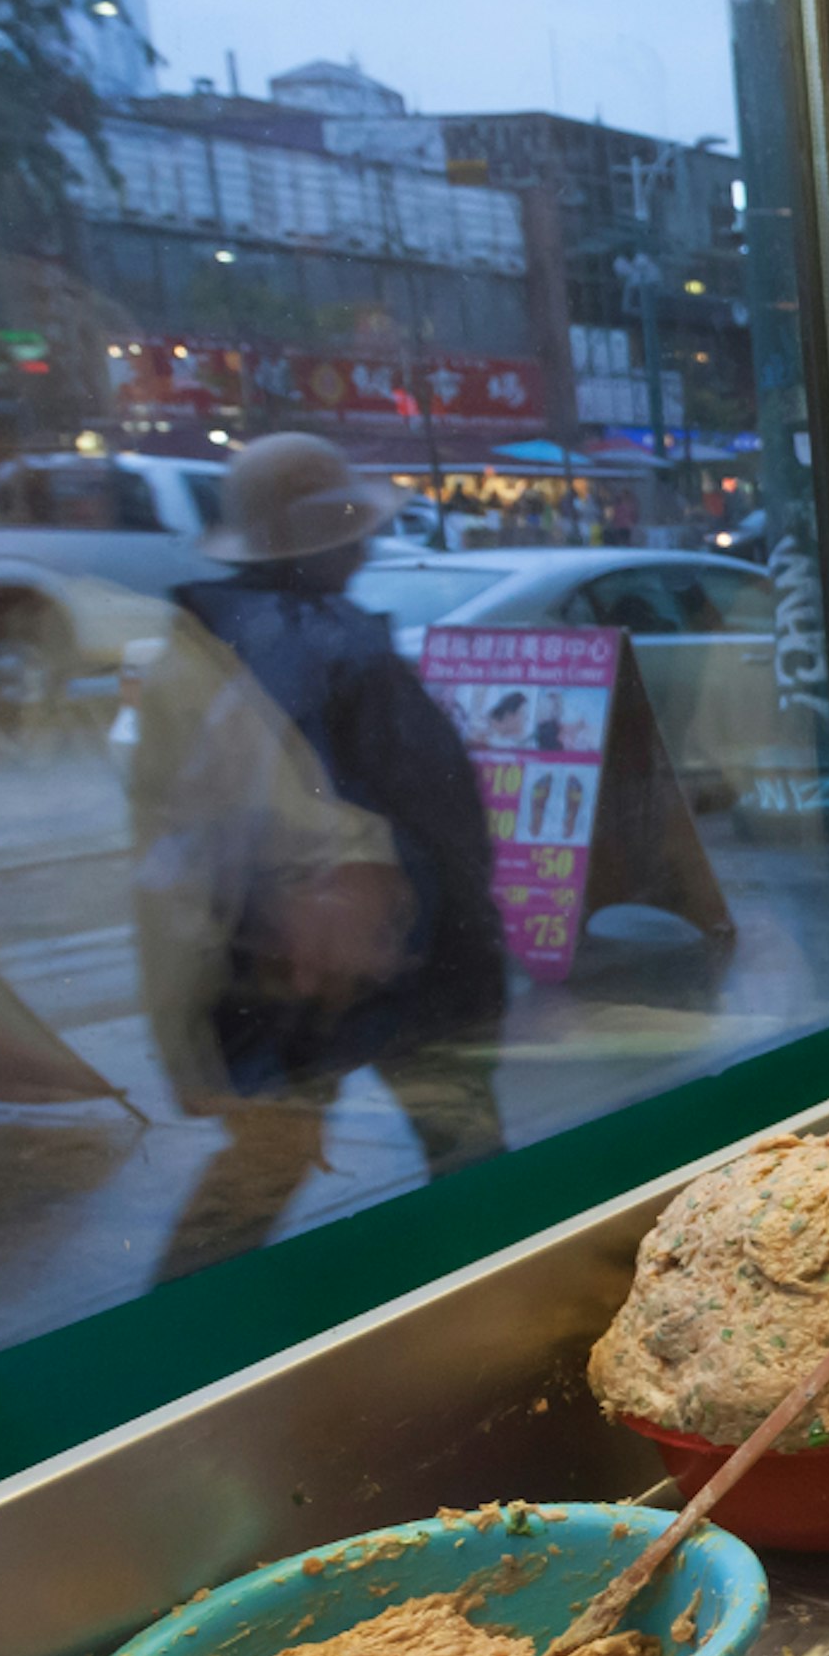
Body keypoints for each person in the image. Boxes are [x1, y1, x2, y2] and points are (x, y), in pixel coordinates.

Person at [129, 432, 506, 1280]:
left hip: (267, 965)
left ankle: (178, 1330)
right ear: (330, 538)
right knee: (461, 1138)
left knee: (270, 1158)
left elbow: (171, 830)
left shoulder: (202, 641)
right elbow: (409, 818)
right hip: (372, 960)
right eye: (351, 527)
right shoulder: (328, 648)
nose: (367, 543)